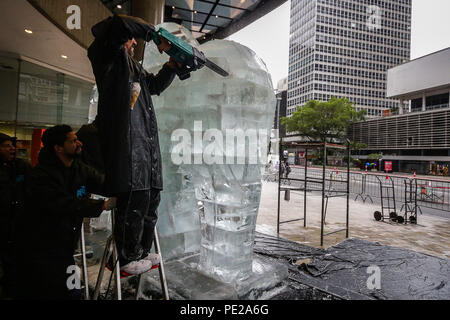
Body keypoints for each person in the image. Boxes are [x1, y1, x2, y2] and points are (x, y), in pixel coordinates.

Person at [87, 15, 182, 275]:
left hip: (145, 144)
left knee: (151, 196)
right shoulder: (104, 55)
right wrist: (152, 33)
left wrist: (172, 66)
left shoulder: (133, 67)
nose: (132, 42)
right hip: (126, 144)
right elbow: (120, 25)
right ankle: (127, 256)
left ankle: (140, 251)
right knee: (134, 197)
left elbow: (153, 86)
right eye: (129, 39)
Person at [13, 125, 115, 300]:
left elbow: (101, 182)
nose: (79, 143)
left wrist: (122, 188)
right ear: (58, 148)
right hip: (39, 249)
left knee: (72, 292)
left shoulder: (79, 168)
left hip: (65, 248)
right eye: (73, 141)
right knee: (45, 291)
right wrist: (102, 206)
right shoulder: (40, 175)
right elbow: (61, 203)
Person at [0, 133, 31, 299]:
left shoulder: (22, 166)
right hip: (3, 223)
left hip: (18, 224)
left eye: (12, 145)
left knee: (14, 263)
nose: (12, 148)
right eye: (6, 145)